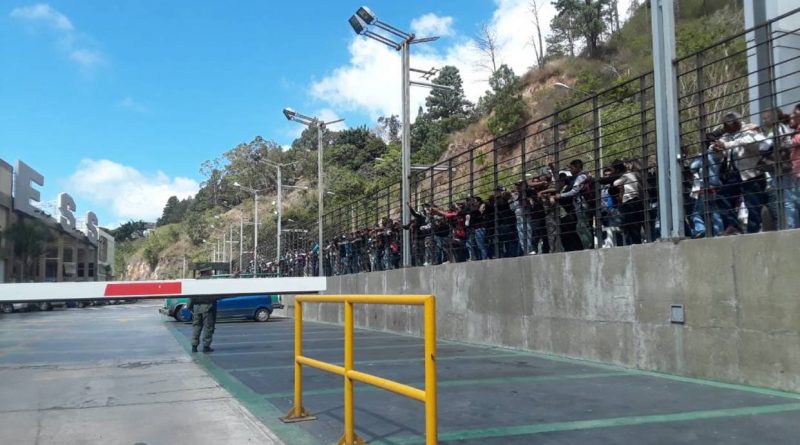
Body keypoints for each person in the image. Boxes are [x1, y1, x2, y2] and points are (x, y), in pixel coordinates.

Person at [710, 111, 767, 233]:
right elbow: (721, 152)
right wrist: (717, 148)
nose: (728, 127)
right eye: (726, 125)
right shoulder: (727, 135)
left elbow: (749, 141)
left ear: (737, 123)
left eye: (730, 124)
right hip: (734, 174)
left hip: (752, 174)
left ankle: (753, 233)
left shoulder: (750, 130)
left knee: (753, 206)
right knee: (721, 197)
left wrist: (727, 144)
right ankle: (734, 226)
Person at [554, 159, 594, 249]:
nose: (570, 170)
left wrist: (561, 195)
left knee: (583, 226)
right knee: (582, 226)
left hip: (582, 205)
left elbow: (574, 191)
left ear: (577, 167)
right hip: (581, 204)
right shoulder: (583, 176)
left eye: (572, 168)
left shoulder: (581, 177)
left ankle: (588, 246)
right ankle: (588, 245)